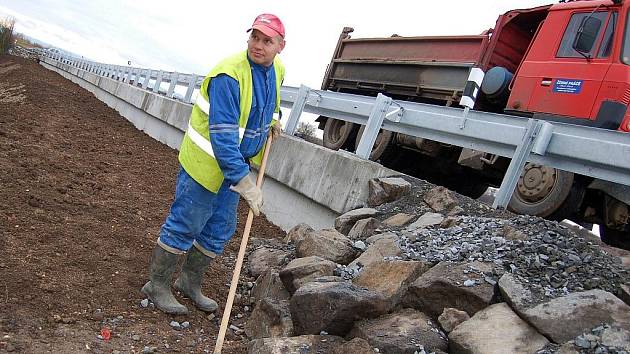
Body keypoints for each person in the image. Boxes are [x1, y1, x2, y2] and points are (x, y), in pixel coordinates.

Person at [141, 14, 286, 315]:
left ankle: (188, 282)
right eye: (254, 37)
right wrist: (244, 182)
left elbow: (269, 103)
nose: (258, 45)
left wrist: (273, 120)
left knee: (220, 227)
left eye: (266, 40)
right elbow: (222, 136)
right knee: (187, 223)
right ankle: (156, 285)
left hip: (234, 165)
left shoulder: (277, 70)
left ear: (280, 46)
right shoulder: (228, 76)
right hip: (205, 164)